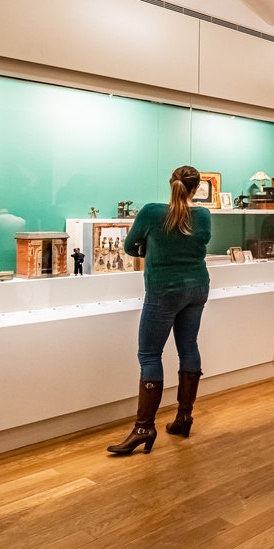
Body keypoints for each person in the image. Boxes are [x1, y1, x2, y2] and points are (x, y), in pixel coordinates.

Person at [107, 165, 212, 455]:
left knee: (150, 355)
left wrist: (149, 248)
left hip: (163, 290)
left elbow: (130, 247)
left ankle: (144, 428)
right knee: (188, 347)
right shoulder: (203, 215)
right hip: (197, 287)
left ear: (171, 183)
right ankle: (184, 417)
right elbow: (198, 243)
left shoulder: (152, 212)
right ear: (196, 188)